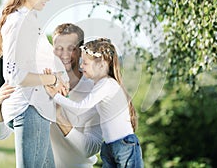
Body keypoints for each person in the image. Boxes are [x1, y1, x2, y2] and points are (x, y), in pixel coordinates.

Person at [0, 0, 68, 168]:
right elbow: (16, 74)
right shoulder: (19, 21)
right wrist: (54, 79)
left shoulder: (29, 19)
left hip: (38, 108)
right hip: (30, 107)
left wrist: (59, 80)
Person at [0, 23, 102, 167]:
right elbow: (2, 134)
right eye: (58, 48)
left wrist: (58, 116)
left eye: (71, 48)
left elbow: (91, 148)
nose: (64, 55)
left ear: (81, 51)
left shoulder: (93, 90)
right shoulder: (38, 81)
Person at [46, 38, 144, 167]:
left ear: (101, 64)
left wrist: (55, 95)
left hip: (124, 145)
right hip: (110, 147)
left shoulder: (107, 84)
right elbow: (84, 115)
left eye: (85, 63)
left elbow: (80, 108)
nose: (81, 66)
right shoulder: (99, 85)